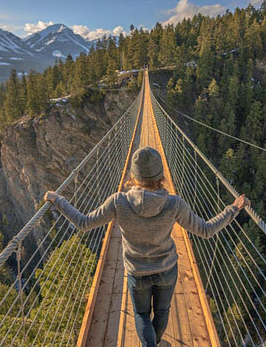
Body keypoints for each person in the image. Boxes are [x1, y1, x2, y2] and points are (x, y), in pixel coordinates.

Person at [44, 146, 250, 347]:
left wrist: (59, 201)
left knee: (141, 314)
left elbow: (83, 223)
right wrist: (233, 209)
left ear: (133, 176)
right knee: (162, 312)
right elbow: (206, 230)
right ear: (161, 176)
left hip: (137, 271)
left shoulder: (118, 202)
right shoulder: (174, 203)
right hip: (166, 269)